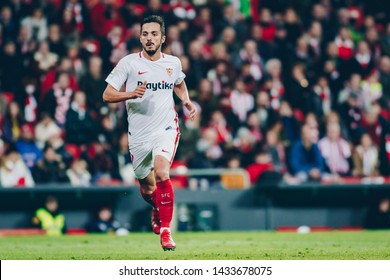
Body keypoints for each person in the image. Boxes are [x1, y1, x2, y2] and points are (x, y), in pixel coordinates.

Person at [103, 15, 197, 251]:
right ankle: (156, 207)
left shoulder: (173, 63)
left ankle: (166, 231)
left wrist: (185, 100)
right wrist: (130, 94)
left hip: (165, 127)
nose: (149, 38)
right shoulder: (128, 63)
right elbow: (107, 94)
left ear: (162, 38)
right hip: (138, 136)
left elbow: (178, 81)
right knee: (148, 188)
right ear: (140, 37)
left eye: (154, 34)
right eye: (145, 34)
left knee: (162, 172)